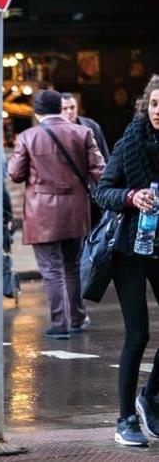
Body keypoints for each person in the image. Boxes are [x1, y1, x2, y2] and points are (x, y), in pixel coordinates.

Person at [94, 75, 159, 447]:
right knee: (139, 334)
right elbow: (103, 190)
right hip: (131, 249)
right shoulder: (130, 142)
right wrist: (132, 197)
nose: (158, 112)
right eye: (153, 104)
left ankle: (149, 398)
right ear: (145, 106)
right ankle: (125, 419)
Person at [8, 90, 105, 340]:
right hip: (76, 209)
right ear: (60, 108)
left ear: (36, 110)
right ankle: (76, 317)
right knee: (72, 266)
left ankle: (59, 322)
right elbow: (99, 170)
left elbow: (16, 174)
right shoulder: (83, 132)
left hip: (42, 213)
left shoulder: (28, 137)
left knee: (51, 269)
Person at [61, 93, 110, 161]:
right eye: (64, 109)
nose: (69, 111)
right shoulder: (54, 130)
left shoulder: (92, 126)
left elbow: (103, 153)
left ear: (77, 107)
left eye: (72, 107)